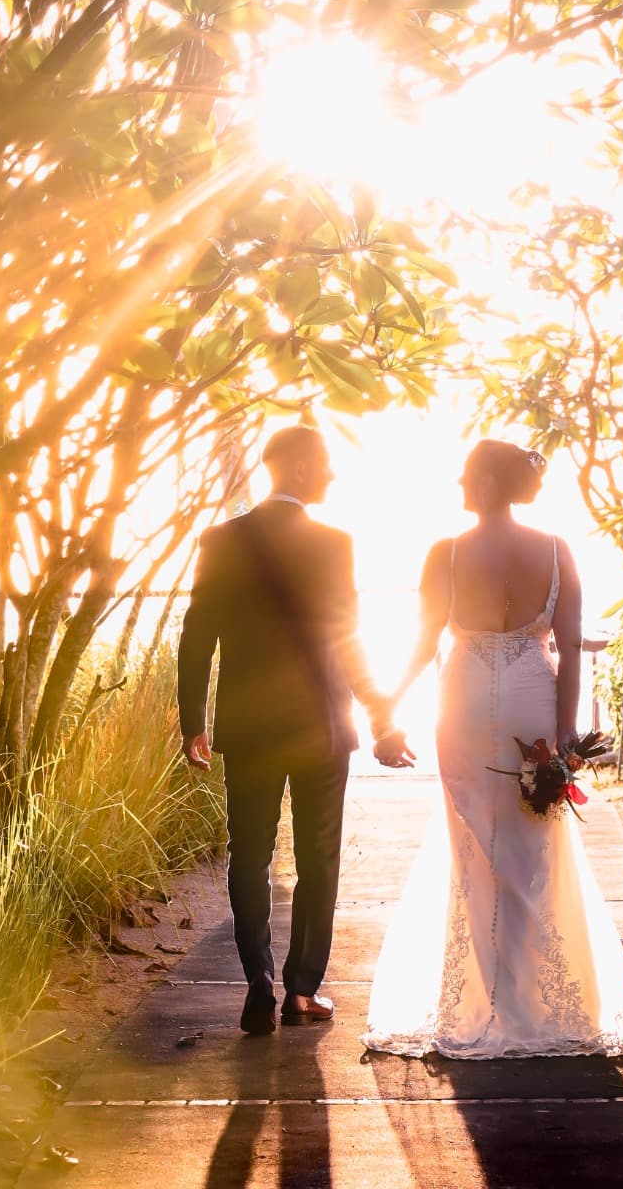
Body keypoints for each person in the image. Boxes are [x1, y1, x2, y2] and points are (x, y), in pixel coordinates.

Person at [363, 438, 623, 1059]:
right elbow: (568, 649)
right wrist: (564, 741)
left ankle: (485, 1001)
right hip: (533, 706)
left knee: (474, 852)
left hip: (460, 709)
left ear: (486, 484)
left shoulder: (446, 554)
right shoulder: (556, 550)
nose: (458, 484)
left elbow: (420, 644)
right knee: (531, 848)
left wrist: (386, 711)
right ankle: (522, 1002)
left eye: (465, 475)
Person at [177, 425, 412, 1038]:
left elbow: (196, 636)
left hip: (250, 726)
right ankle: (302, 991)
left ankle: (258, 984)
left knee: (248, 857)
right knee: (317, 858)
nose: (332, 476)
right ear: (304, 468)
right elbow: (348, 638)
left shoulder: (220, 539)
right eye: (328, 465)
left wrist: (192, 724)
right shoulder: (333, 542)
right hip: (320, 725)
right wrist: (381, 717)